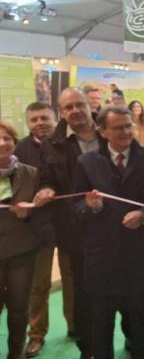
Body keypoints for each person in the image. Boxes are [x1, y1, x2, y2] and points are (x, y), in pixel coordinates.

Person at [72, 106, 144, 359]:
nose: (125, 131)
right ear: (102, 131)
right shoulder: (86, 163)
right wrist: (88, 207)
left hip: (140, 256)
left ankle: (141, 352)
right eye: (118, 127)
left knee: (140, 316)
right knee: (101, 321)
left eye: (128, 125)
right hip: (102, 259)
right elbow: (74, 207)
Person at [33, 88, 102, 359]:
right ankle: (88, 347)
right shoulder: (53, 142)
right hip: (74, 230)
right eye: (68, 107)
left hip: (111, 226)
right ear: (62, 112)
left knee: (117, 287)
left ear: (89, 105)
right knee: (82, 292)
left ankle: (133, 338)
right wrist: (46, 190)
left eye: (78, 105)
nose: (74, 111)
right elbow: (47, 178)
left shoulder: (108, 132)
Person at [14, 102, 58, 358]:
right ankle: (36, 334)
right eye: (34, 120)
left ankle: (75, 325)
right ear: (28, 124)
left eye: (44, 118)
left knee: (76, 279)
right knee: (38, 286)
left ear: (55, 118)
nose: (40, 123)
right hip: (36, 227)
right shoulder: (18, 149)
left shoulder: (68, 143)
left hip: (70, 223)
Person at [0, 121, 43, 359]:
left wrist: (29, 212)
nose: (2, 143)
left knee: (19, 308)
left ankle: (15, 352)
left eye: (7, 138)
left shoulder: (31, 173)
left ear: (14, 143)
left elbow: (43, 214)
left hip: (22, 250)